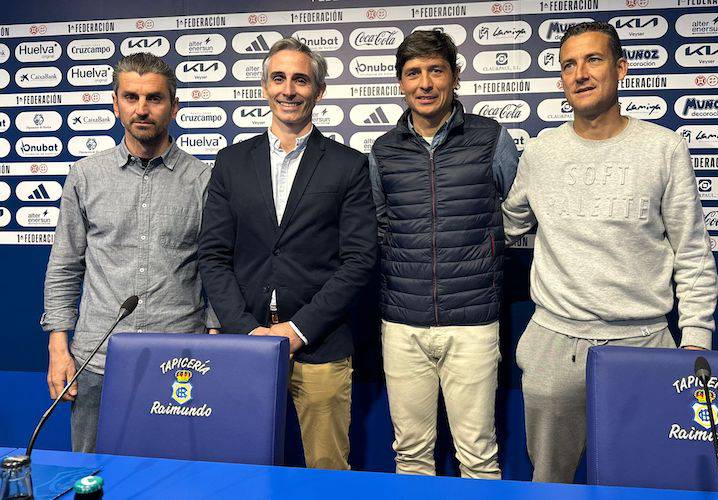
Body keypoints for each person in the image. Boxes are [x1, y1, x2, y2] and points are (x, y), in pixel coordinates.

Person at [501, 21, 718, 483]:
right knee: (549, 482)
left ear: (620, 68)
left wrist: (695, 341)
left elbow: (693, 254)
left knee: (643, 481)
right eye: (569, 65)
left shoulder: (664, 149)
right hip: (553, 346)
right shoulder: (540, 152)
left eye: (593, 60)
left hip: (644, 345)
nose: (580, 74)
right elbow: (512, 219)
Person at [198, 37, 377, 470]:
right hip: (246, 344)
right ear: (264, 87)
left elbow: (359, 260)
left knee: (327, 470)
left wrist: (298, 330)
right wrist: (245, 330)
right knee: (242, 467)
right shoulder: (230, 162)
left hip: (320, 347)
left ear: (318, 91)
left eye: (301, 80)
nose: (289, 90)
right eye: (278, 78)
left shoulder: (348, 165)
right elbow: (213, 254)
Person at [42, 52, 219, 453]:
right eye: (131, 97)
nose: (142, 109)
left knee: (174, 479)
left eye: (154, 98)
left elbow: (216, 268)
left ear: (174, 106)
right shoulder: (86, 175)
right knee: (90, 477)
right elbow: (65, 265)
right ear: (115, 102)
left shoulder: (203, 179)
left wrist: (213, 341)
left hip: (179, 361)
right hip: (96, 361)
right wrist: (58, 346)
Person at [369, 30, 519, 479]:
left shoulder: (491, 138)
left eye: (436, 70)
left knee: (477, 455)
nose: (425, 83)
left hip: (473, 323)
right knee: (411, 456)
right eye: (413, 73)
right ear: (401, 83)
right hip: (402, 324)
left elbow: (517, 216)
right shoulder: (383, 150)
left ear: (455, 77)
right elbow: (380, 225)